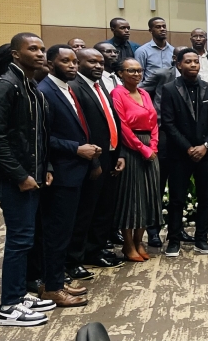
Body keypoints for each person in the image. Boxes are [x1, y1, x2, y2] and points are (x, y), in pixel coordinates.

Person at [0, 33, 57, 326]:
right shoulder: (5, 87)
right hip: (13, 178)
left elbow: (40, 135)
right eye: (33, 49)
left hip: (34, 175)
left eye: (42, 49)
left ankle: (19, 293)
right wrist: (20, 175)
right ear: (16, 54)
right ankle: (9, 307)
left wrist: (47, 166)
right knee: (19, 240)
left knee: (26, 238)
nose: (41, 54)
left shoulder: (32, 88)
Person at [35, 45, 92, 306]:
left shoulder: (65, 88)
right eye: (65, 61)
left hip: (74, 171)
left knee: (64, 231)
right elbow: (43, 137)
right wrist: (77, 148)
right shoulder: (45, 91)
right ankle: (52, 287)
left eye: (74, 61)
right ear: (50, 63)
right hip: (59, 173)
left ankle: (55, 279)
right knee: (56, 233)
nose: (72, 65)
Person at [67, 49, 125, 276]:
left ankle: (97, 250)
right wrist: (94, 162)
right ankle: (75, 258)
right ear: (78, 63)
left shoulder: (100, 86)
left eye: (101, 62)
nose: (98, 66)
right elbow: (82, 130)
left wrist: (118, 153)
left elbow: (111, 121)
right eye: (92, 61)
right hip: (92, 159)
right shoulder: (76, 88)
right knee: (86, 211)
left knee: (104, 207)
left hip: (110, 155)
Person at [160, 48, 208, 257]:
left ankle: (201, 240)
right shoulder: (169, 89)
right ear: (179, 64)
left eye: (196, 61)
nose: (193, 64)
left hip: (206, 154)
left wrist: (205, 146)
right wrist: (188, 147)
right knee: (177, 199)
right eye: (189, 61)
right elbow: (168, 123)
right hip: (180, 154)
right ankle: (174, 240)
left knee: (206, 198)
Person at [110, 58, 163, 263]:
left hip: (150, 147)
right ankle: (128, 244)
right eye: (130, 70)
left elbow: (154, 122)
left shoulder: (144, 93)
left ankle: (140, 241)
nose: (136, 74)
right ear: (121, 73)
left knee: (149, 197)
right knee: (132, 198)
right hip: (131, 148)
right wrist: (142, 148)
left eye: (139, 71)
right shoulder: (117, 93)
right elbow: (121, 125)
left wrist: (153, 147)